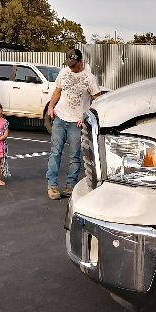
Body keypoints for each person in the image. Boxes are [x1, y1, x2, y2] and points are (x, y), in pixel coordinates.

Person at [45, 48, 101, 199]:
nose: (71, 67)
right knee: (55, 153)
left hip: (76, 123)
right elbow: (57, 91)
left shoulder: (90, 78)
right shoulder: (63, 72)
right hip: (60, 118)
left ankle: (70, 186)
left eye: (73, 64)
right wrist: (51, 106)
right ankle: (52, 186)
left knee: (74, 156)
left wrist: (86, 116)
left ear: (81, 62)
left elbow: (98, 100)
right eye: (69, 63)